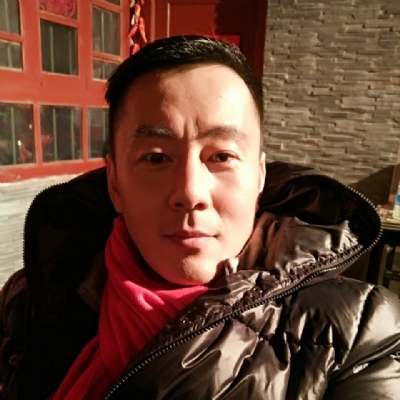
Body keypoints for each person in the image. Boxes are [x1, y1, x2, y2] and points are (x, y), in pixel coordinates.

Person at [0, 35, 399, 400]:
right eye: (156, 158)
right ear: (115, 183)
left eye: (222, 156)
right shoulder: (31, 299)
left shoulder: (358, 332)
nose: (190, 193)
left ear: (259, 177)